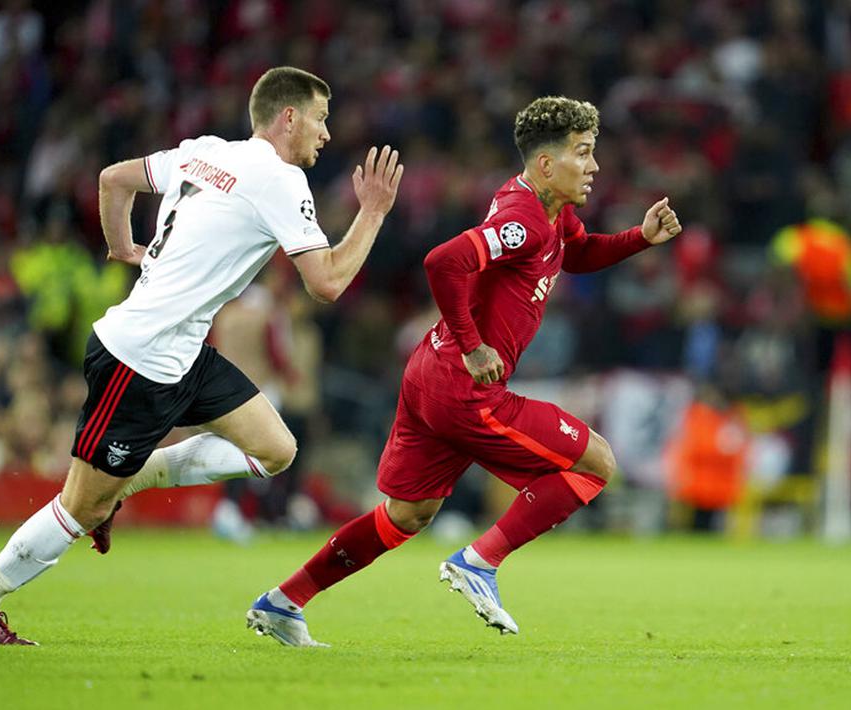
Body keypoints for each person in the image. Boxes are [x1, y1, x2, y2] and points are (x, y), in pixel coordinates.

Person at [0, 66, 404, 645]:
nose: (326, 133)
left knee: (275, 449)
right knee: (79, 508)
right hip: (138, 359)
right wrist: (374, 212)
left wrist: (123, 249)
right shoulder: (280, 180)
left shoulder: (204, 151)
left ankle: (128, 484)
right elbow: (327, 283)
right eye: (320, 118)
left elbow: (114, 180)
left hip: (184, 352)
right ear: (289, 117)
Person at [243, 96, 682, 647]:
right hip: (463, 385)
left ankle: (284, 602)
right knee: (595, 462)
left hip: (430, 370)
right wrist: (474, 348)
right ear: (547, 165)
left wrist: (640, 238)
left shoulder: (551, 211)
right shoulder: (524, 221)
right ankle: (480, 562)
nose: (594, 166)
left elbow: (578, 252)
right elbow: (443, 261)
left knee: (407, 513)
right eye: (584, 153)